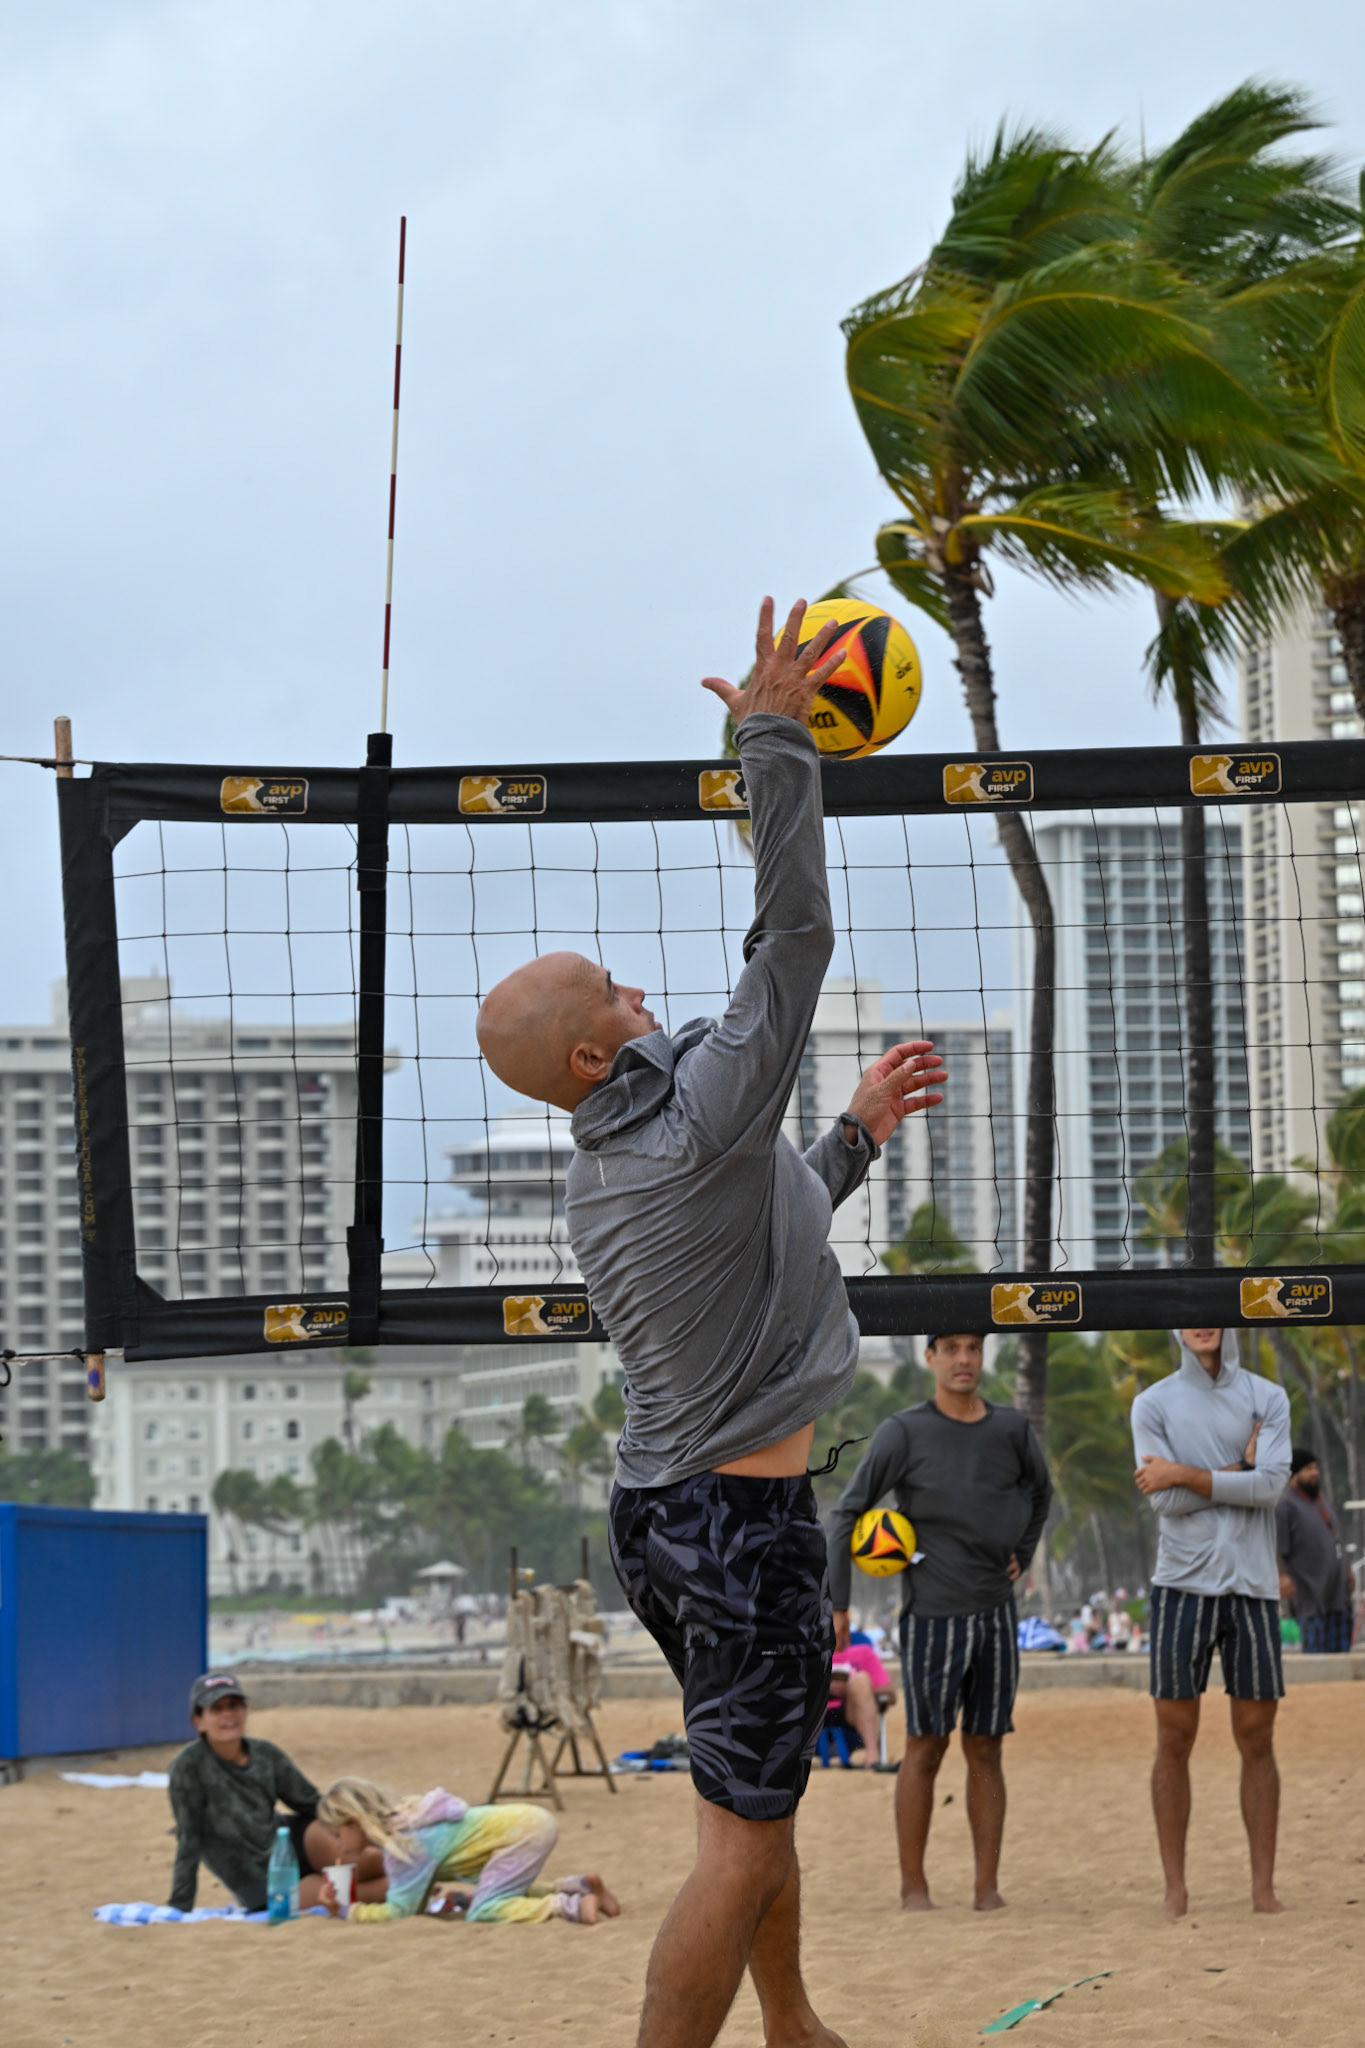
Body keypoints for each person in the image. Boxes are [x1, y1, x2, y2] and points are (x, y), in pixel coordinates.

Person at [476, 597, 946, 2048]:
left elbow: (775, 1224)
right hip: (738, 1535)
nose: (634, 981)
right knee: (736, 1844)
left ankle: (794, 2026)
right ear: (587, 1050)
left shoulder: (629, 1161)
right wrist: (774, 743)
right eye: (608, 987)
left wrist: (857, 1133)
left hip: (665, 1517)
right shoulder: (685, 1126)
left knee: (756, 1801)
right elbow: (792, 935)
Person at [826, 1331, 1051, 1912]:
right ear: (930, 1358)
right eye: (950, 1348)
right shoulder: (904, 1431)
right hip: (931, 1616)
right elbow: (847, 1512)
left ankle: (986, 1888)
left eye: (973, 1348)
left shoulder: (1011, 1430)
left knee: (986, 1748)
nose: (963, 1359)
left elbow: (1041, 1493)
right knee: (925, 1746)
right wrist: (839, 1604)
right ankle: (913, 1888)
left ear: (984, 1357)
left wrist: (1022, 1554)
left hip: (996, 1614)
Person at [1131, 1326, 1291, 1918]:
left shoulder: (1267, 1396)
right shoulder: (1153, 1403)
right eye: (1192, 1314)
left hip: (1253, 1586)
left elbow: (1272, 1487)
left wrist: (1185, 1472)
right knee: (1174, 1738)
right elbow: (1162, 1500)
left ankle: (1262, 1887)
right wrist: (1237, 1467)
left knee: (1257, 1738)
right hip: (1179, 1585)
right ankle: (1176, 1887)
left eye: (1215, 1312)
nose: (1204, 1324)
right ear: (1176, 1327)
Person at [167, 1670, 372, 1911]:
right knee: (368, 1888)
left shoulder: (265, 1754)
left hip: (289, 1842)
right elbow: (189, 1839)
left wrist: (358, 1823)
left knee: (363, 1852)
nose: (228, 1714)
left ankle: (414, 1860)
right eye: (217, 1708)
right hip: (261, 1880)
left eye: (234, 1705)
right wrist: (179, 1907)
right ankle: (410, 1882)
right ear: (198, 1721)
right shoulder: (187, 1767)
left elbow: (311, 1803)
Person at [314, 1778, 620, 1923]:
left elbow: (399, 1911)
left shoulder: (403, 1847)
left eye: (337, 1835)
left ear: (355, 1823)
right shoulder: (409, 1820)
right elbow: (415, 1900)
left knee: (485, 1909)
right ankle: (578, 1887)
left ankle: (568, 1906)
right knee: (500, 1889)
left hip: (521, 1832)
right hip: (526, 1821)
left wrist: (344, 1910)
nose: (337, 1845)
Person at [1277, 1448, 1355, 1653]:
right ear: (1295, 1473)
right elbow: (1278, 1547)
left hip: (1337, 1593)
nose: (1314, 1473)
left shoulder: (1321, 1500)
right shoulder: (1285, 1506)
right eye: (1308, 1469)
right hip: (1309, 1595)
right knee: (1315, 1652)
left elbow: (1336, 1539)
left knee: (1339, 1655)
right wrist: (1283, 1576)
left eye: (1316, 1468)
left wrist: (1347, 1570)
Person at [827, 1635, 895, 1768]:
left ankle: (872, 1759)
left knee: (860, 1680)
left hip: (851, 1713)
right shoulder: (808, 1648)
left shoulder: (863, 1651)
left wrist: (850, 1688)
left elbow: (891, 1696)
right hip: (814, 1711)